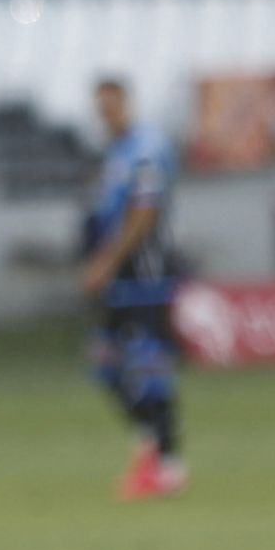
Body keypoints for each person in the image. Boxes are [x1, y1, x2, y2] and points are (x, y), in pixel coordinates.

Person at [81, 78, 186, 499]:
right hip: (119, 278)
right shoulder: (116, 153)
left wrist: (106, 260)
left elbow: (144, 211)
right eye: (100, 107)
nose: (106, 114)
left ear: (127, 102)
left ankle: (167, 463)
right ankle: (151, 448)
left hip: (145, 275)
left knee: (148, 368)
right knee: (106, 364)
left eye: (112, 105)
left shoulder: (147, 147)